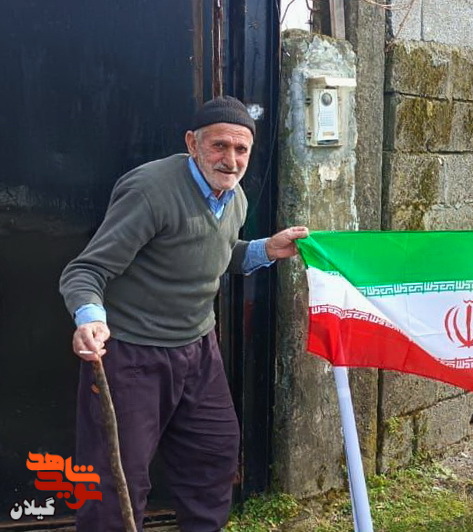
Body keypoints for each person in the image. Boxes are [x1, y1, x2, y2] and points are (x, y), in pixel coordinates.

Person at [59, 95, 309, 530]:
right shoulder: (150, 191)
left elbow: (215, 252)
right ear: (192, 143)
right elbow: (87, 270)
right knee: (117, 480)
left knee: (213, 455)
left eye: (241, 149)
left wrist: (266, 249)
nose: (231, 160)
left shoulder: (234, 196)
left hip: (198, 350)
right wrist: (90, 319)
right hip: (131, 354)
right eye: (219, 146)